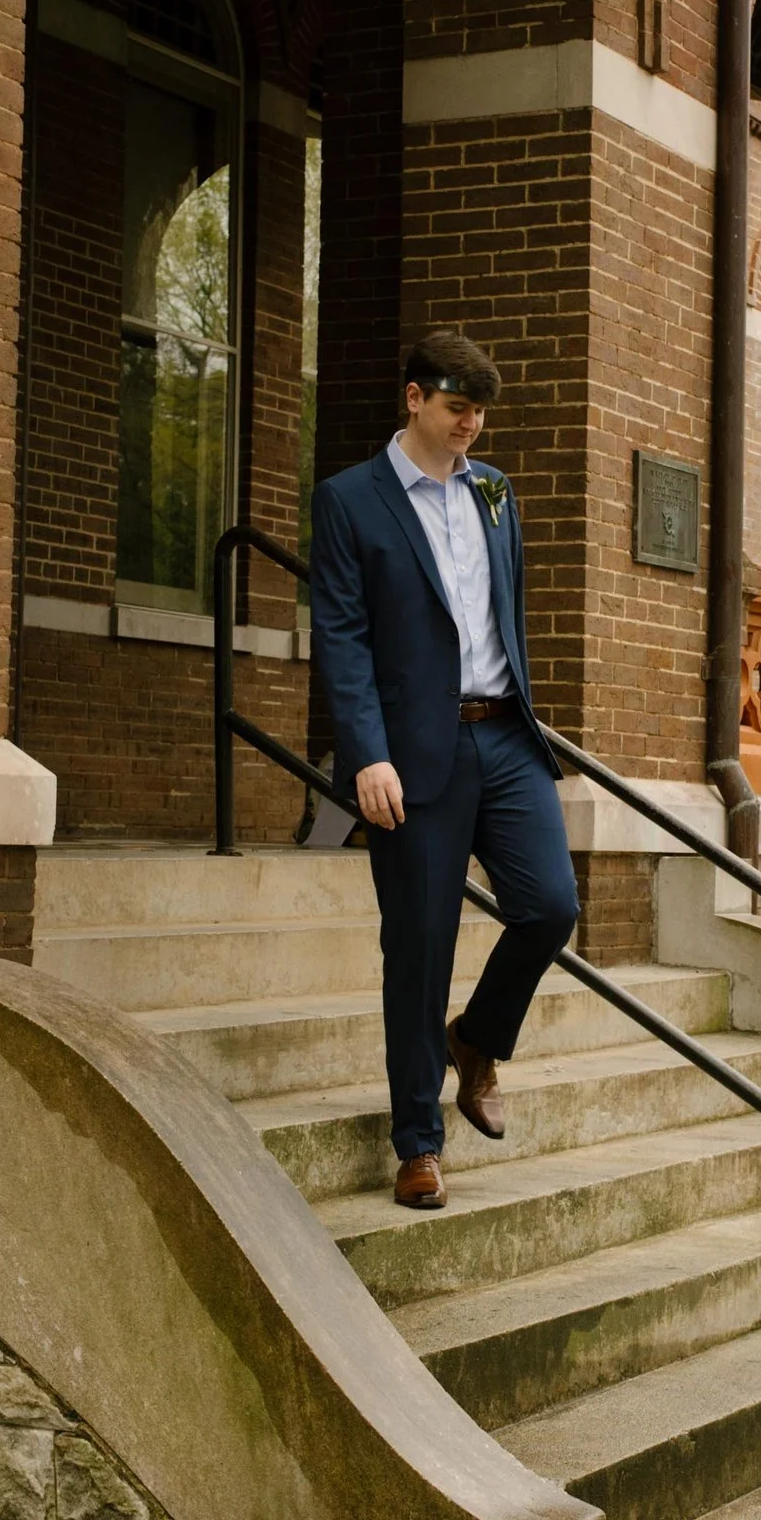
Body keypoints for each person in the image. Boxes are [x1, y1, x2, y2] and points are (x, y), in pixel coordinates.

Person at [309, 327, 577, 1209]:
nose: (472, 424)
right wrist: (367, 756)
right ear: (415, 398)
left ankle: (479, 1037)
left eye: (481, 411)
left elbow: (511, 611)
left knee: (549, 907)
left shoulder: (496, 492)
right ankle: (418, 1143)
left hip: (504, 737)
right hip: (412, 756)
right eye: (458, 407)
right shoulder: (351, 500)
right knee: (419, 949)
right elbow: (342, 638)